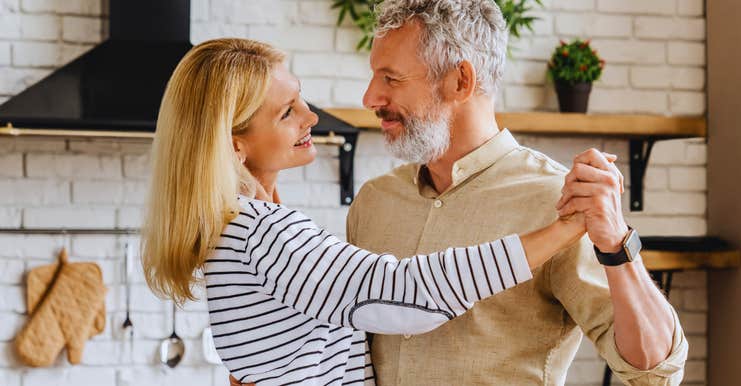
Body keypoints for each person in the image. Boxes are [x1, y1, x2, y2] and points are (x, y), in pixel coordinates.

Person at [140, 38, 608, 386]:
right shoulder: (265, 233)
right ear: (236, 146)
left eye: (300, 98)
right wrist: (566, 227)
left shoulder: (232, 229)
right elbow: (409, 295)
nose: (311, 117)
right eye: (287, 112)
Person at [344, 1, 688, 385]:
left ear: (460, 80)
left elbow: (655, 372)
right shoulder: (374, 201)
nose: (370, 98)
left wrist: (617, 244)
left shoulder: (558, 203)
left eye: (391, 79)